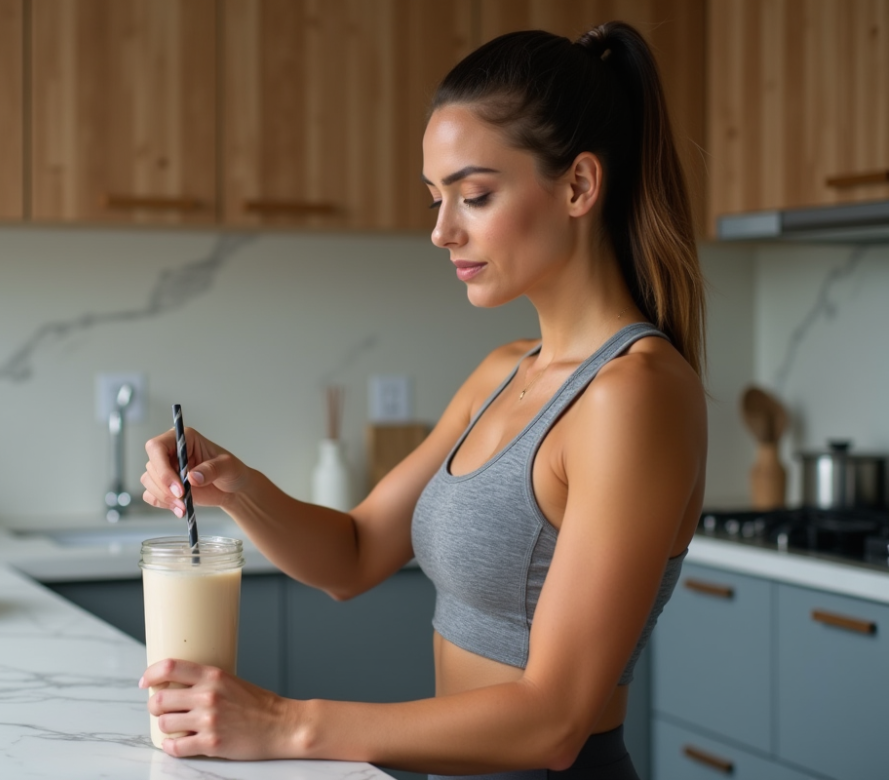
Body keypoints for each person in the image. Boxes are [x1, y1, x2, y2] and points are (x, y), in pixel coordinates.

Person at [138, 21, 706, 779]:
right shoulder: (505, 370)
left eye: (474, 196)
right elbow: (354, 554)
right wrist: (232, 484)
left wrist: (287, 724)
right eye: (436, 198)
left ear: (578, 186)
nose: (441, 231)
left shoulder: (633, 395)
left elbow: (555, 721)